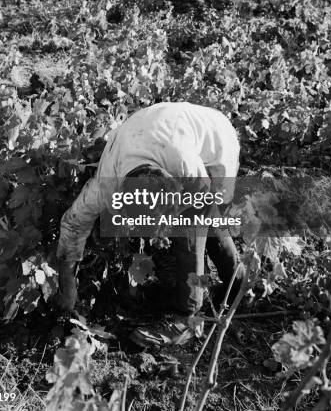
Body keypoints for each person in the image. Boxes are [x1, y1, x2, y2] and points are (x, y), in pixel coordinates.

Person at [56, 102, 244, 347]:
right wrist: (68, 286)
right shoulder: (106, 183)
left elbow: (203, 202)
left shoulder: (184, 167)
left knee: (195, 228)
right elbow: (73, 224)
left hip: (217, 138)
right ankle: (238, 281)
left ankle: (187, 316)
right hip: (155, 128)